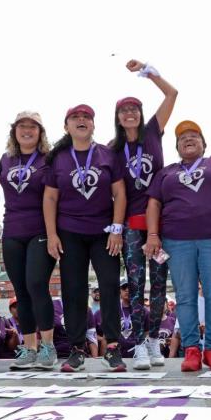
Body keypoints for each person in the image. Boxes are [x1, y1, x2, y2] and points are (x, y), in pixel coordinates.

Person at [144, 86, 211, 372]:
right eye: (182, 137)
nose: (188, 139)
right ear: (176, 147)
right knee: (184, 296)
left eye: (194, 136)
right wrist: (152, 235)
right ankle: (191, 350)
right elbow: (153, 204)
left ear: (203, 144)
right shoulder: (166, 172)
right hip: (177, 240)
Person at [44, 104, 126, 372]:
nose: (81, 121)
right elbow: (50, 197)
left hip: (103, 232)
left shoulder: (106, 154)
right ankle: (77, 347)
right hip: (69, 231)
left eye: (86, 118)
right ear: (66, 126)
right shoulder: (58, 157)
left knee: (110, 284)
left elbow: (120, 194)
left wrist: (116, 229)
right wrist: (52, 234)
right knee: (73, 289)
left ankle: (113, 346)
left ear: (93, 125)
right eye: (75, 118)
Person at [111, 59, 177, 369]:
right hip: (131, 226)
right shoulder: (112, 148)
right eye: (124, 111)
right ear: (118, 118)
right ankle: (137, 344)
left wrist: (151, 72)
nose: (130, 114)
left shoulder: (153, 131)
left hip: (159, 221)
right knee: (136, 286)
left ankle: (153, 341)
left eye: (134, 109)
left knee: (161, 285)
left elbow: (172, 94)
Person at [0, 111, 57, 371]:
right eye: (22, 126)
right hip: (11, 231)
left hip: (40, 229)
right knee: (20, 291)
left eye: (33, 127)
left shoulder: (49, 159)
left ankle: (48, 347)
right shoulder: (6, 159)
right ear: (14, 131)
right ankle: (29, 348)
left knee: (36, 284)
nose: (27, 130)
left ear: (40, 132)